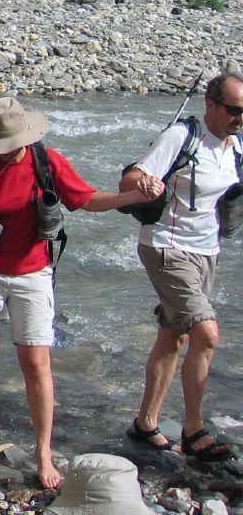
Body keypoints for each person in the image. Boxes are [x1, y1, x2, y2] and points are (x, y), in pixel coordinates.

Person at [0, 96, 163, 489]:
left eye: (6, 147)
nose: (0, 153)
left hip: (32, 271)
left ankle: (43, 451)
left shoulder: (47, 162)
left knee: (36, 363)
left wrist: (133, 198)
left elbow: (87, 200)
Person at [120, 66, 243, 463]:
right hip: (165, 247)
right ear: (210, 105)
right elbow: (131, 178)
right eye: (234, 109)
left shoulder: (236, 147)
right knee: (206, 332)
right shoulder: (182, 136)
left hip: (207, 251)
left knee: (174, 335)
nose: (241, 117)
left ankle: (146, 423)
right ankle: (194, 431)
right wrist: (146, 183)